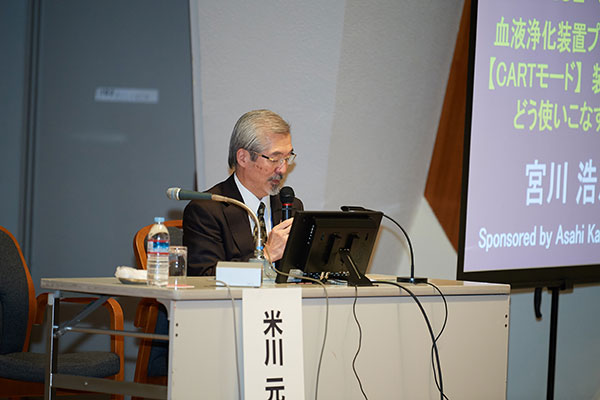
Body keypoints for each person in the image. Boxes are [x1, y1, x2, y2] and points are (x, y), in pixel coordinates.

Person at [183, 109, 303, 276]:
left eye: (287, 158)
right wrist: (267, 255)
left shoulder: (291, 206)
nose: (282, 169)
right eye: (275, 159)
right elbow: (205, 277)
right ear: (243, 158)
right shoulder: (207, 210)